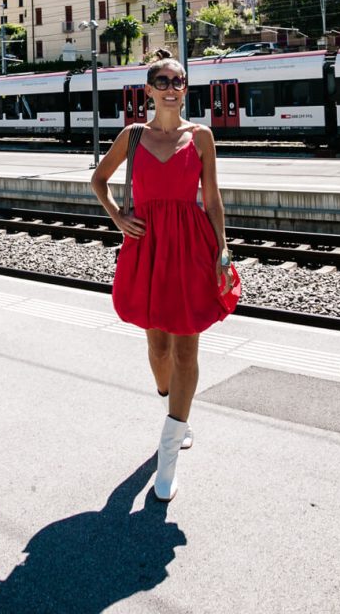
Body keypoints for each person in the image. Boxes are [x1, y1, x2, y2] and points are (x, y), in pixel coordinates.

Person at [91, 50, 237, 503]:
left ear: (184, 90)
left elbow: (211, 200)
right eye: (163, 80)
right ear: (148, 90)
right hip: (149, 246)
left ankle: (169, 450)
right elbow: (99, 180)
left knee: (187, 345)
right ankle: (173, 403)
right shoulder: (133, 136)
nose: (172, 88)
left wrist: (223, 248)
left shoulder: (202, 137)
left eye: (179, 81)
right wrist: (118, 218)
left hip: (192, 246)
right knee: (159, 350)